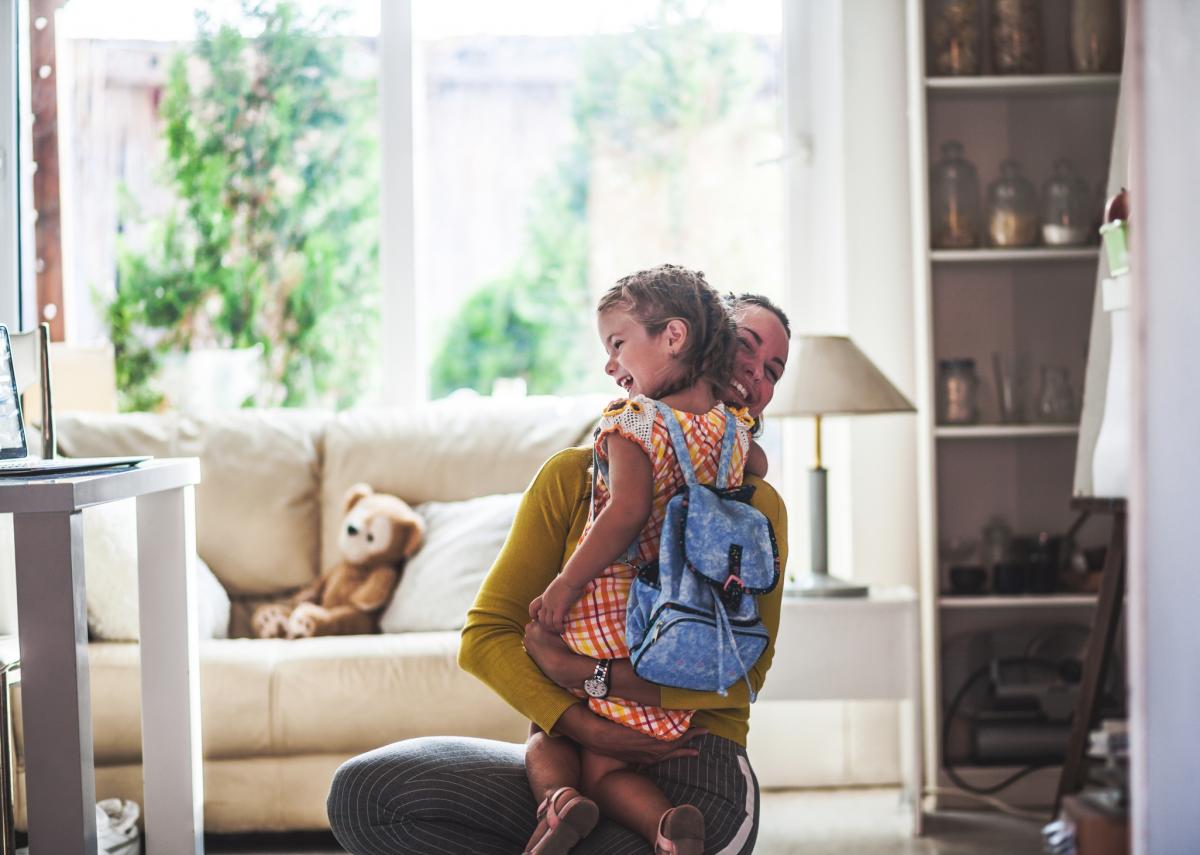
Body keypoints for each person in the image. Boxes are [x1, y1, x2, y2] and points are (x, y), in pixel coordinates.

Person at [326, 291, 791, 855]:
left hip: (697, 765)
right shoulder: (574, 476)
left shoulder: (755, 505)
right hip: (578, 751)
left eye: (773, 370)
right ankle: (560, 810)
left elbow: (740, 673)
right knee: (366, 793)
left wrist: (582, 671)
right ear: (697, 343)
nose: (753, 372)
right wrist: (582, 722)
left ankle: (615, 825)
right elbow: (486, 636)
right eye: (745, 346)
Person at [522, 266, 762, 855]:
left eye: (617, 344)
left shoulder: (634, 422)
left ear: (673, 337)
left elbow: (625, 513)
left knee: (548, 728)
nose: (610, 364)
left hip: (611, 621)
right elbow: (756, 474)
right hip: (682, 631)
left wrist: (562, 584)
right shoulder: (732, 431)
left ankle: (559, 802)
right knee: (608, 767)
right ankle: (667, 826)